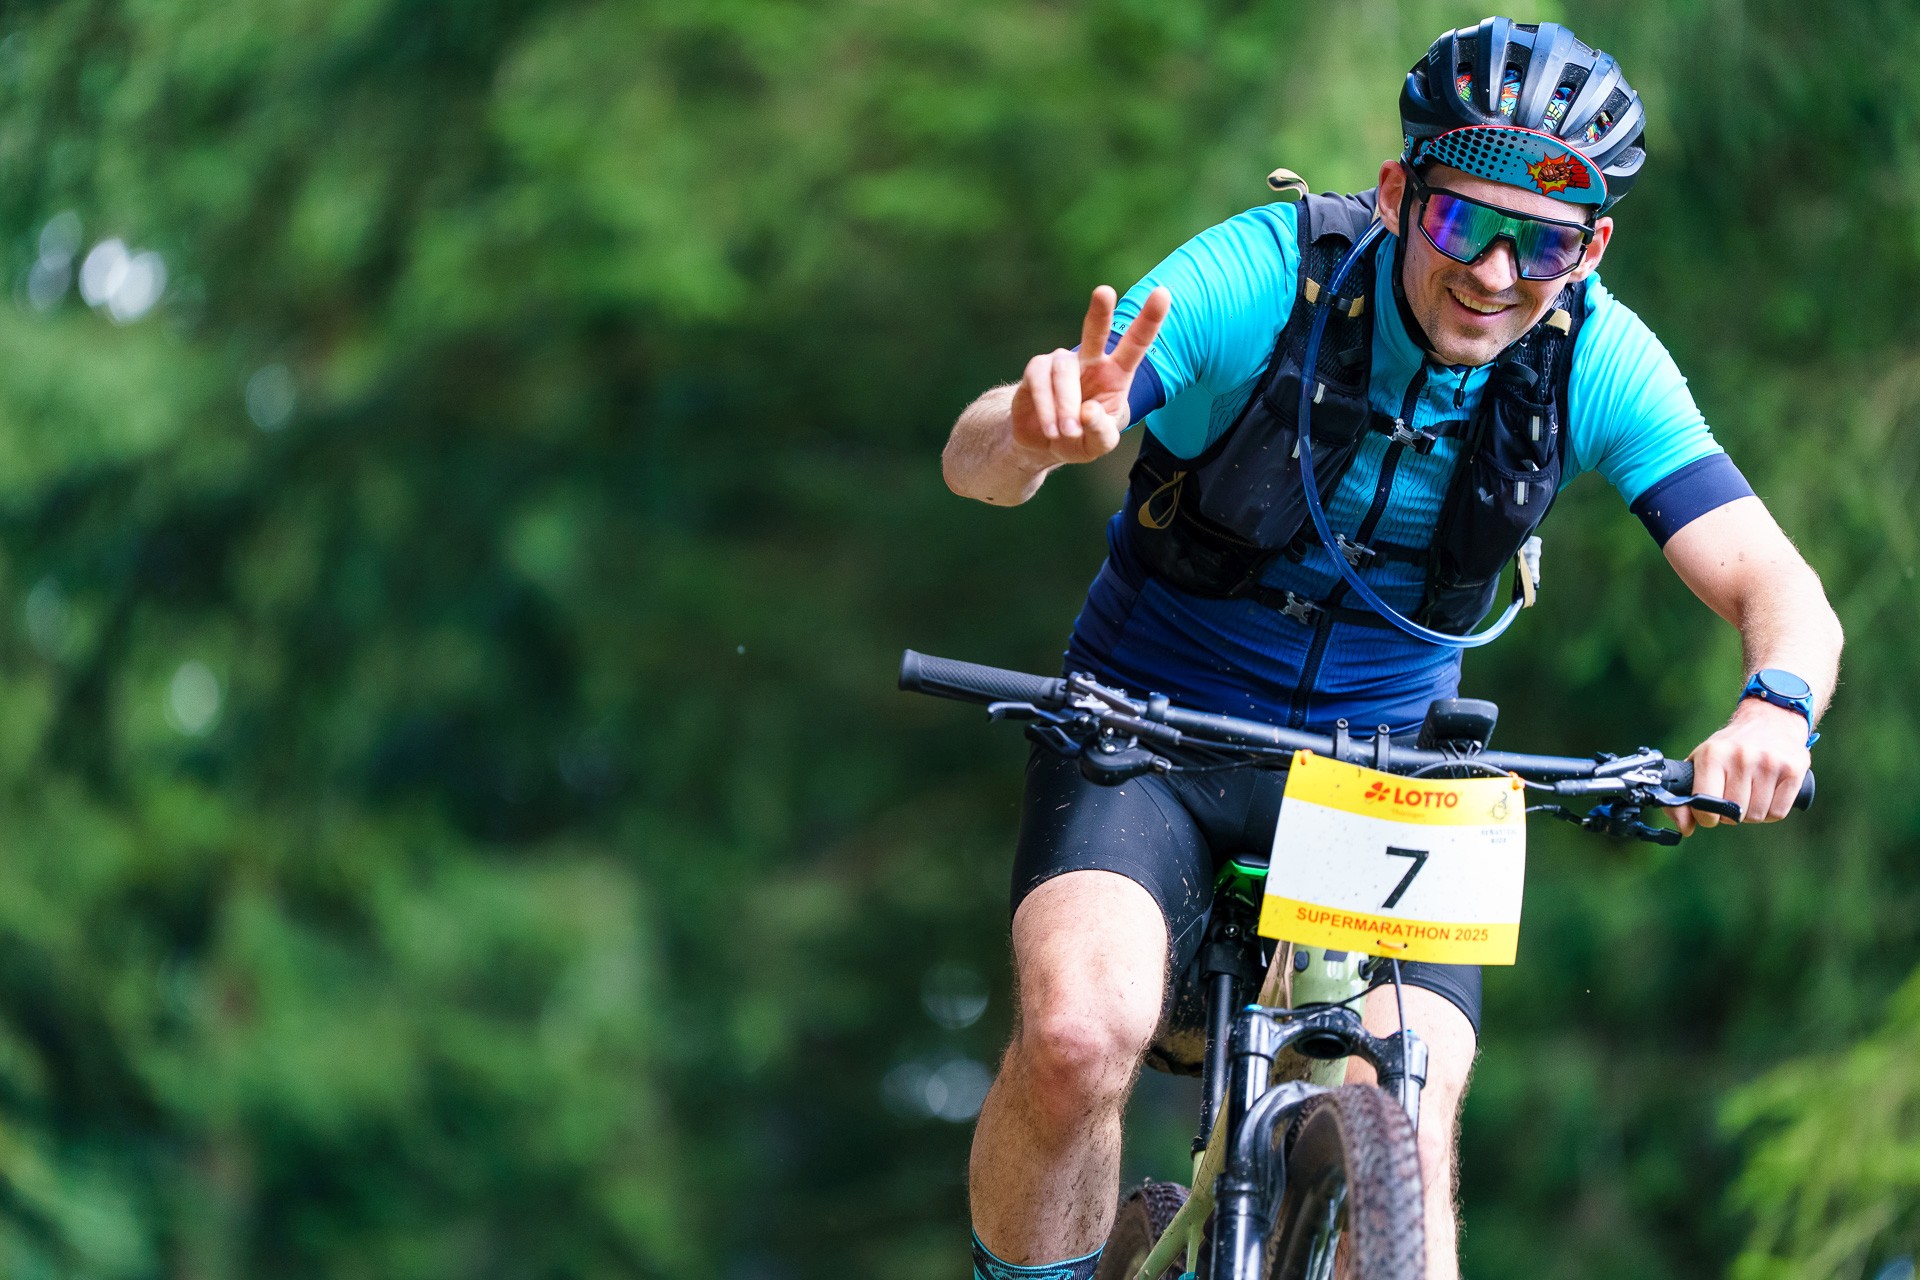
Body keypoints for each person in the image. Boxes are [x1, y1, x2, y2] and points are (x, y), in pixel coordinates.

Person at [939, 16, 1844, 1280]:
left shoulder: (1598, 357)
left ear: (1592, 249)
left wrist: (1775, 705)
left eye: (1544, 243)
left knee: (1408, 1118)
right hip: (1147, 722)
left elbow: (1780, 587)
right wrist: (1032, 436)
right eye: (1463, 222)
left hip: (1392, 767)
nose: (1495, 273)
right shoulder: (1265, 274)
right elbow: (975, 457)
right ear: (1396, 193)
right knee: (1081, 1040)